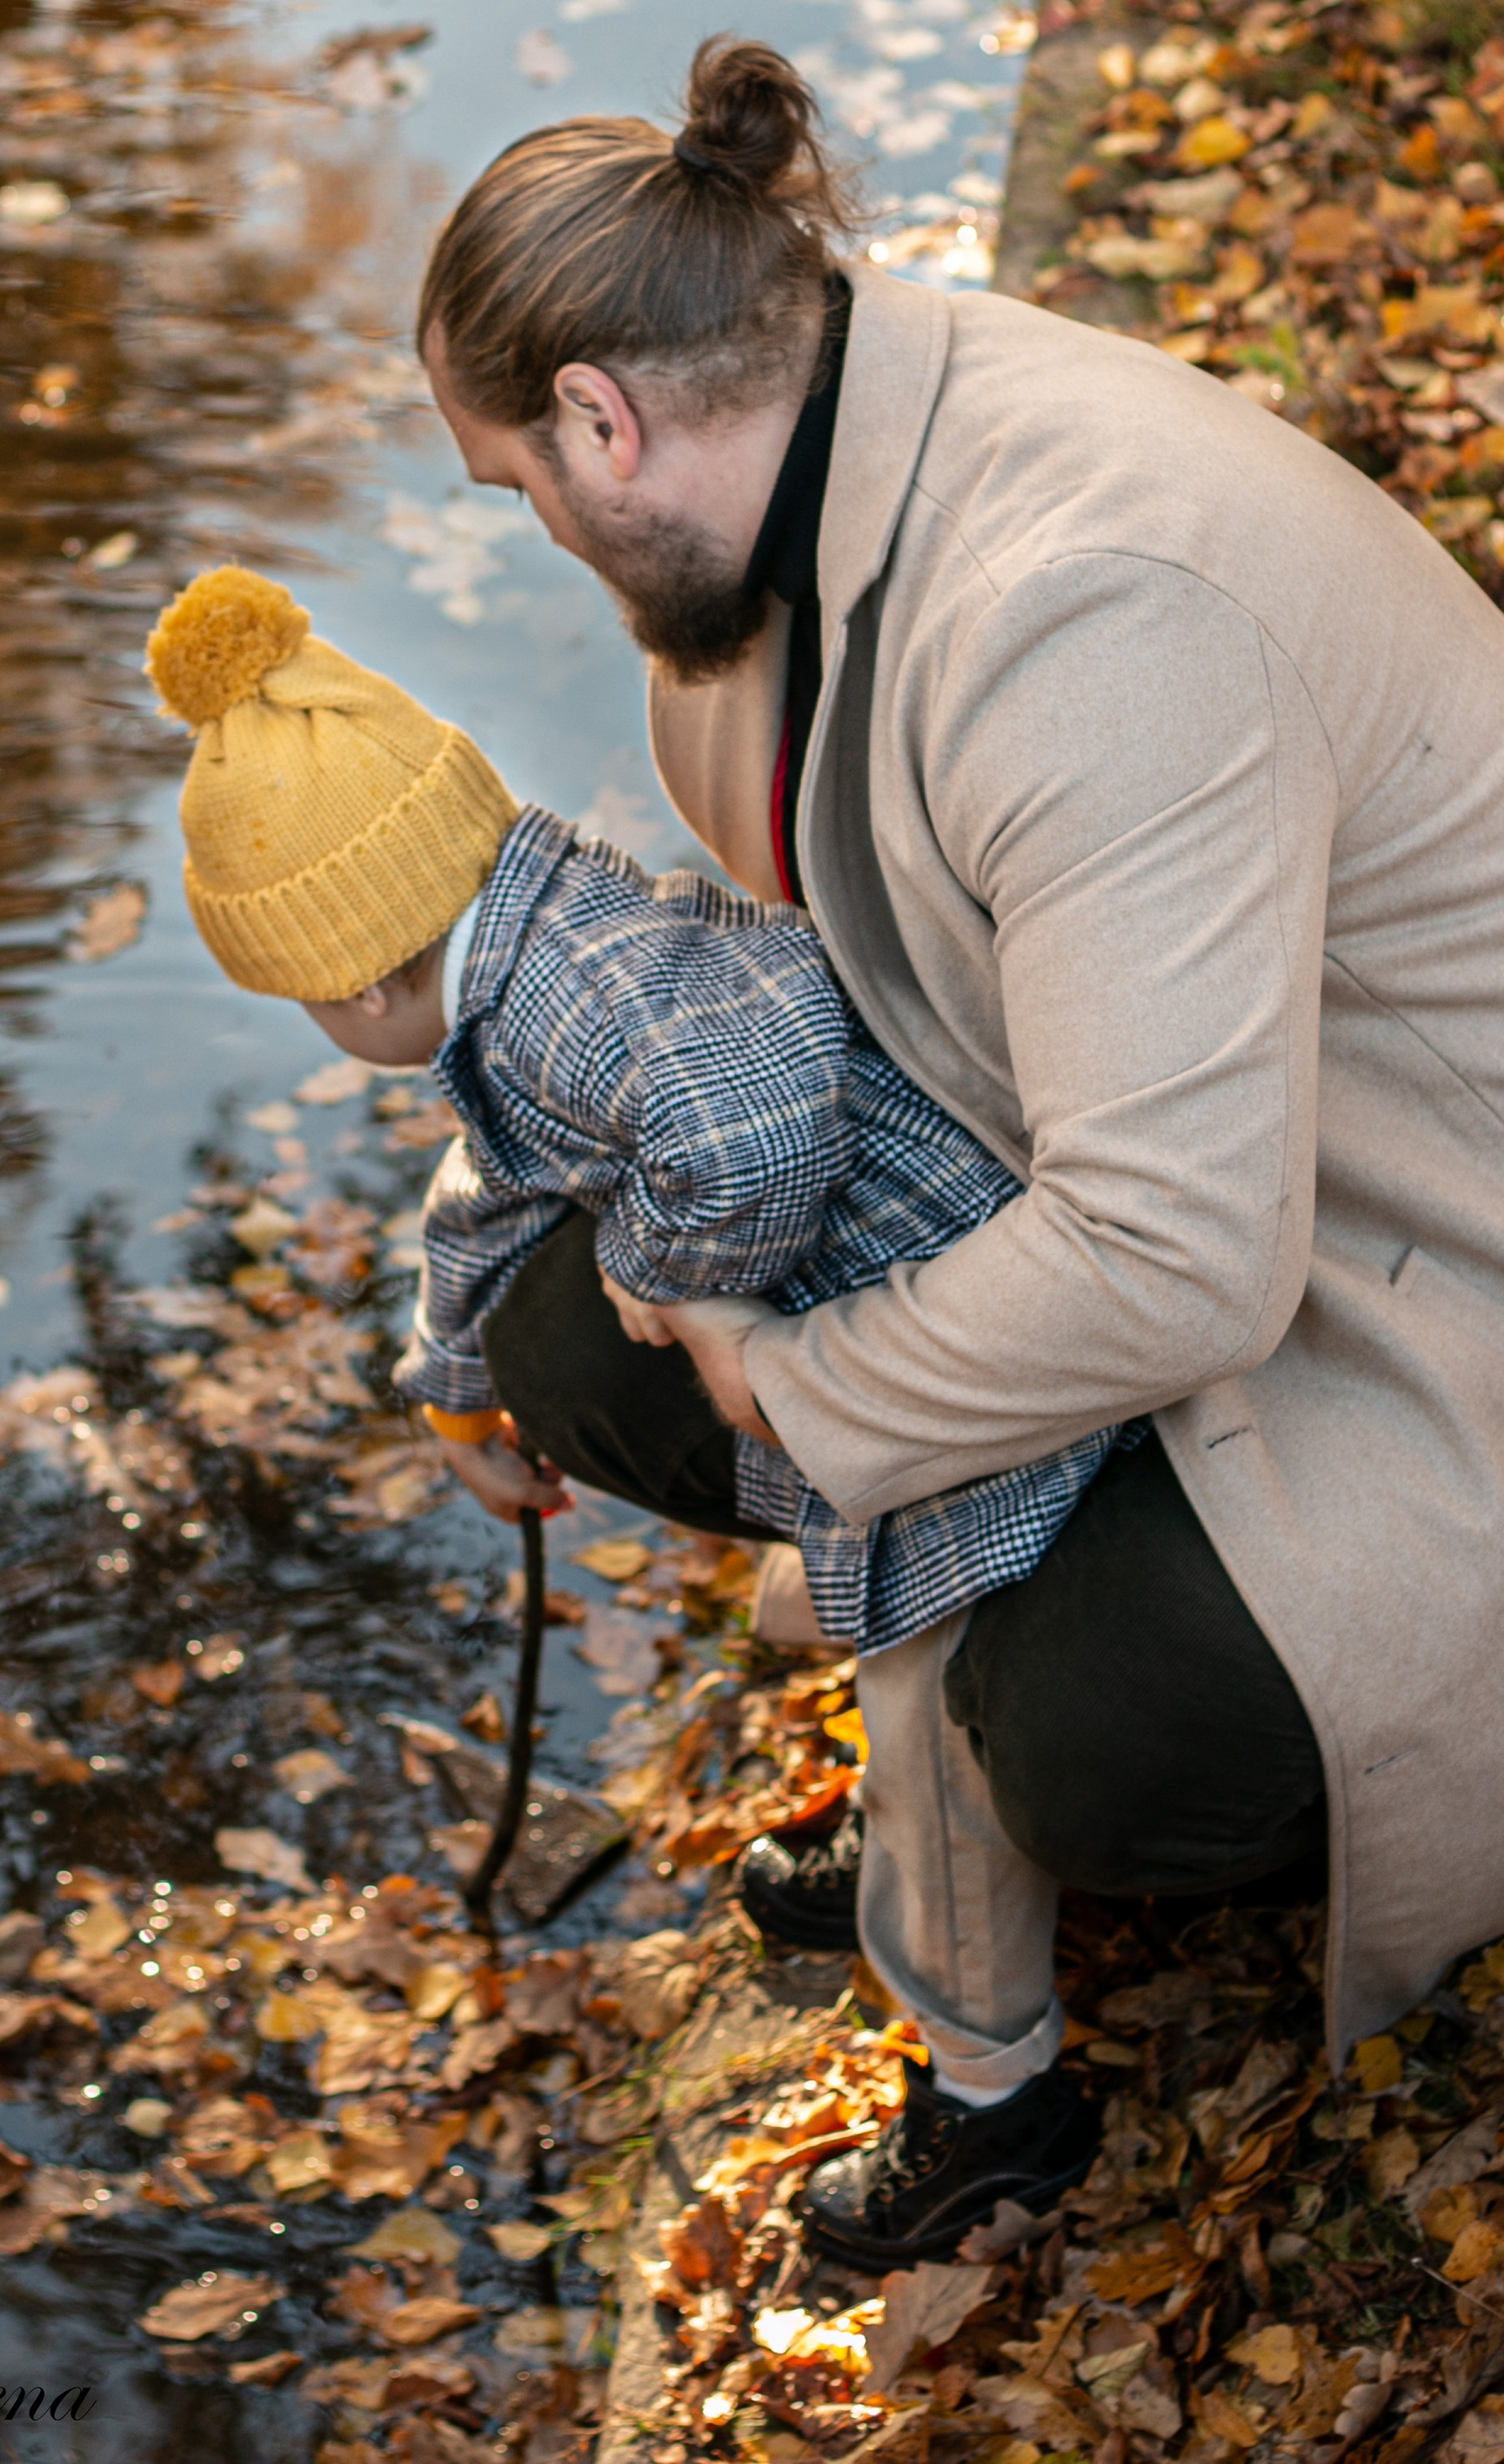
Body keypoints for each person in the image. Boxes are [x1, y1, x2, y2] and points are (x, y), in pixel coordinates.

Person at [408, 29, 1504, 2272]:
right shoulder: (795, 499)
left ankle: (1130, 1742)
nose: (545, 544)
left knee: (1090, 1741)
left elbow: (1174, 1262)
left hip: (1497, 1285)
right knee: (577, 1332)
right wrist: (470, 1294)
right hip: (1177, 1168)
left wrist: (818, 1397)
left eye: (517, 491)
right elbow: (729, 987)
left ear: (600, 419)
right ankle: (969, 1712)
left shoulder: (1077, 607)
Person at [144, 561, 1129, 1711]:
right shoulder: (528, 942)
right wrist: (455, 1392)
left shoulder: (571, 1007)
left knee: (939, 1664)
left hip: (948, 1305)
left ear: (356, 986)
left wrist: (654, 1271)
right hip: (887, 1243)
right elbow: (495, 1183)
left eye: (302, 1002)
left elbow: (754, 1134)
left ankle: (965, 1686)